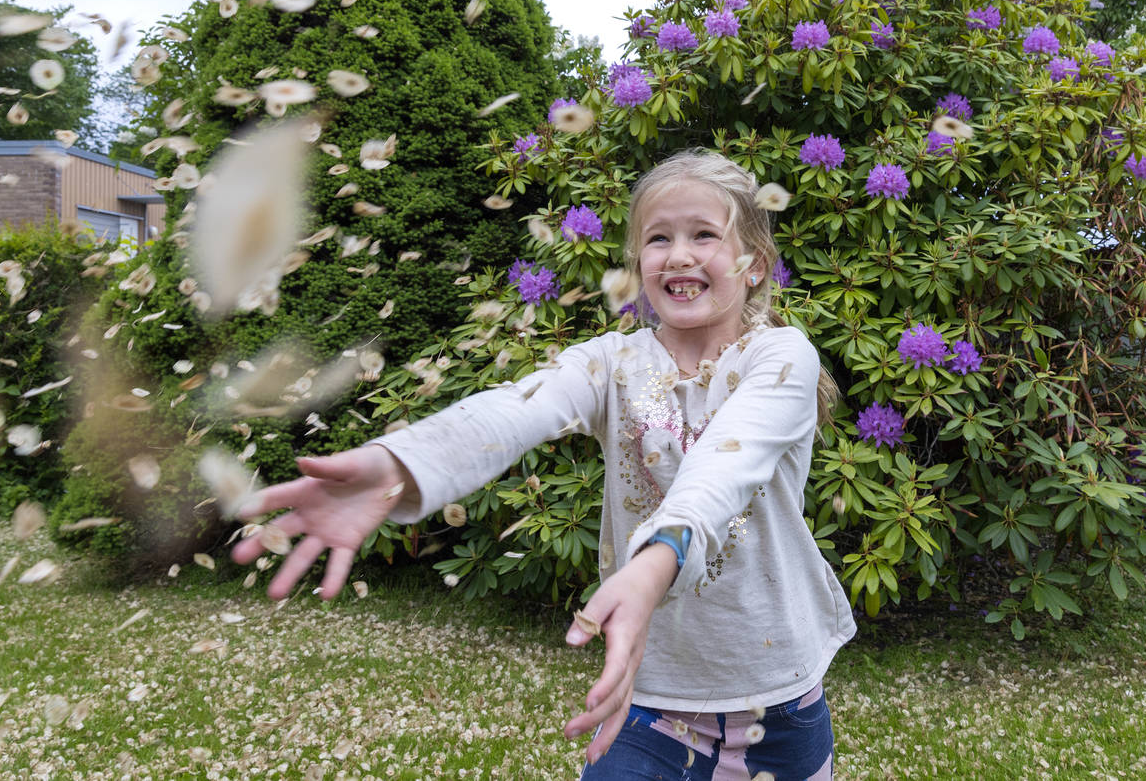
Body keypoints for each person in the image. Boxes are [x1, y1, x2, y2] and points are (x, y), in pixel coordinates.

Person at [232, 148, 855, 779]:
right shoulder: (611, 362)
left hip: (780, 702)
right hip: (651, 702)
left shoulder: (781, 358)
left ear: (756, 265)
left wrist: (655, 560)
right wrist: (399, 462)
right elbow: (517, 408)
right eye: (658, 238)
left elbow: (726, 464)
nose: (679, 254)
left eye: (704, 235)